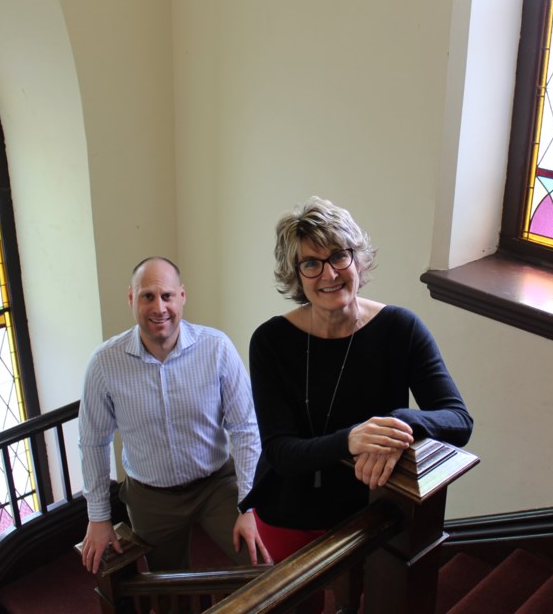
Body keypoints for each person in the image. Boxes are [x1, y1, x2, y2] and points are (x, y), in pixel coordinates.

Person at [239, 196, 473, 610]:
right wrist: (353, 438)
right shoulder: (270, 342)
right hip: (287, 511)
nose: (328, 273)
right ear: (296, 276)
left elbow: (458, 419)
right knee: (296, 606)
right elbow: (280, 451)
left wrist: (396, 423)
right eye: (311, 263)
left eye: (339, 257)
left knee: (367, 599)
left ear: (358, 261)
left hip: (367, 513)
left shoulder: (400, 328)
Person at [79, 256, 271, 574]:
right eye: (147, 296)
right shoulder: (103, 364)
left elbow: (246, 427)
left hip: (217, 486)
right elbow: (92, 442)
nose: (159, 308)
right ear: (131, 298)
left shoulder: (217, 348)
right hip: (151, 497)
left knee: (264, 563)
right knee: (168, 594)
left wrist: (249, 504)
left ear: (182, 296)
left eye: (166, 296)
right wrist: (98, 517)